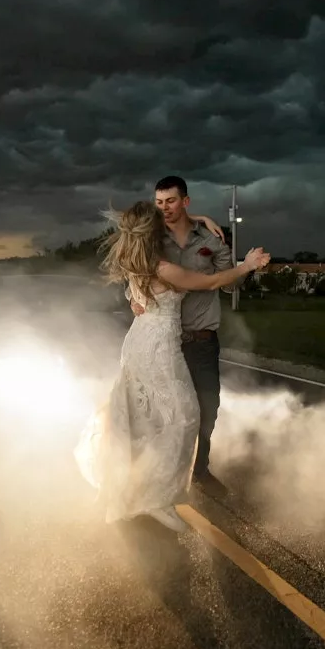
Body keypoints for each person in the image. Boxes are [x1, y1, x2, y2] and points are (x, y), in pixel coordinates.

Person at [75, 201, 270, 532]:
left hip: (139, 341)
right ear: (153, 230)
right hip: (158, 347)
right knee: (184, 416)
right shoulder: (162, 268)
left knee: (144, 419)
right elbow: (209, 282)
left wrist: (202, 218)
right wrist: (247, 264)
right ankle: (157, 497)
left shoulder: (135, 260)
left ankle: (135, 490)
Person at [128, 176, 234, 494]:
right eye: (159, 203)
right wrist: (132, 297)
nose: (164, 209)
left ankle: (198, 469)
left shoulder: (212, 238)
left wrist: (233, 265)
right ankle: (159, 471)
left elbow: (229, 284)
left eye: (170, 202)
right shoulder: (152, 238)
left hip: (201, 340)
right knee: (162, 411)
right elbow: (135, 272)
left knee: (206, 408)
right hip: (164, 342)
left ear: (185, 201)